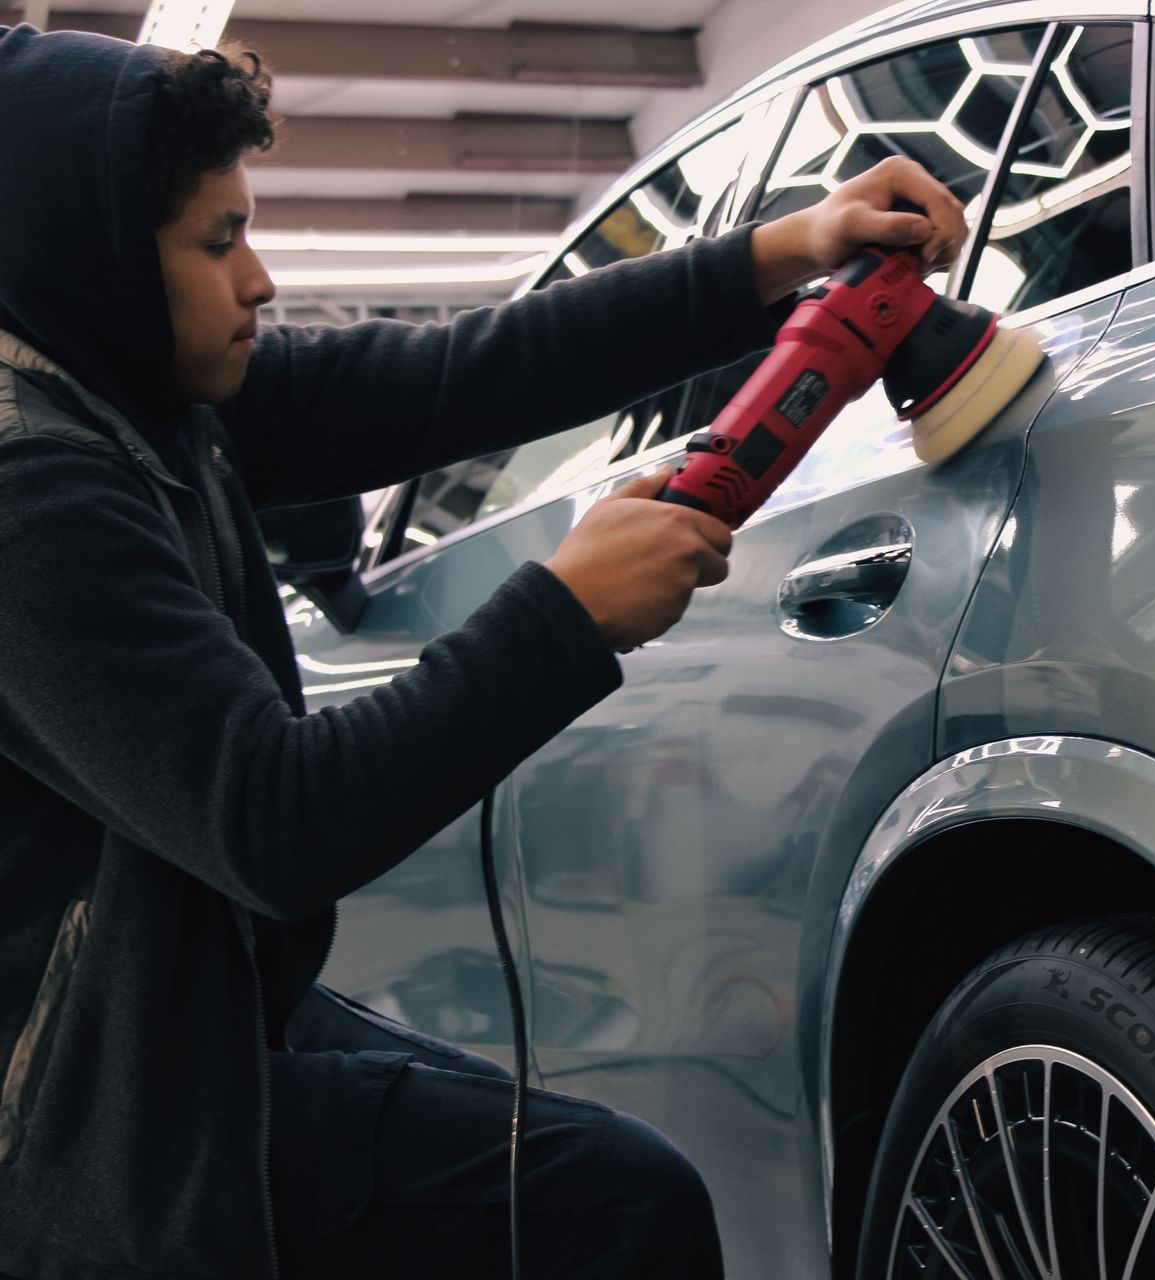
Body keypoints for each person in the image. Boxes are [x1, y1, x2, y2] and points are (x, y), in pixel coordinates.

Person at [0, 24, 965, 1280]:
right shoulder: (32, 494)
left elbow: (461, 373)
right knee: (616, 1206)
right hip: (81, 1111)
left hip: (177, 1013)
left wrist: (779, 250)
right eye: (219, 241)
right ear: (101, 269)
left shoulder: (143, 392)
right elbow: (274, 822)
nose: (262, 282)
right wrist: (563, 611)